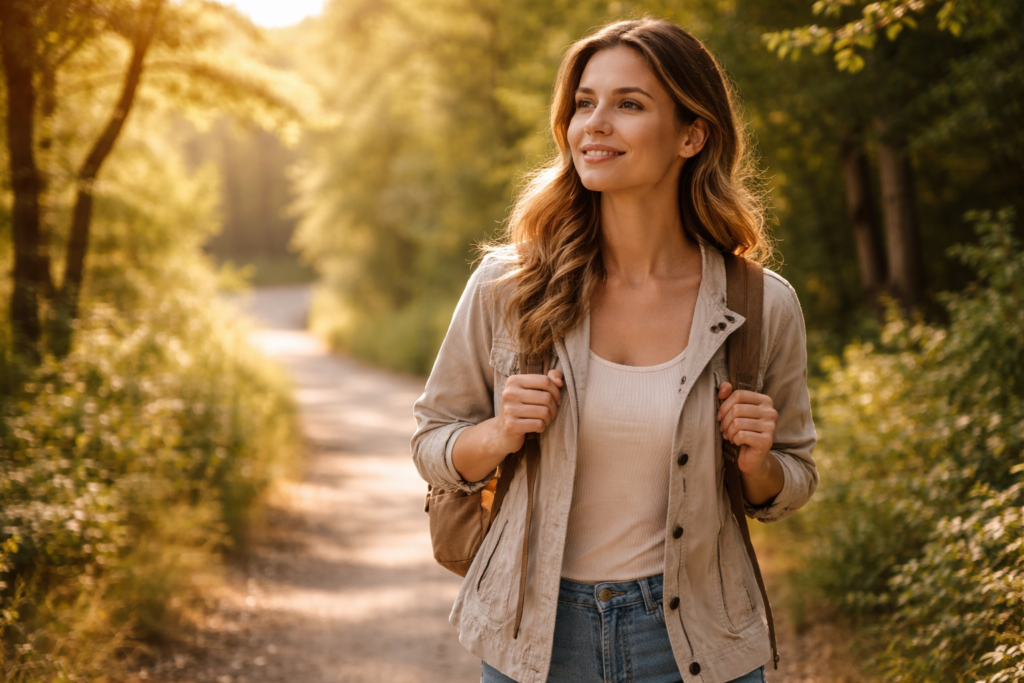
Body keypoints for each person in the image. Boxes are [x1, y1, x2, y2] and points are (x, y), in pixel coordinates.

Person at [412, 17, 818, 683]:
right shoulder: (508, 286)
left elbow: (793, 477)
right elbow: (431, 442)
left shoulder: (761, 303)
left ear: (693, 134)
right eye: (583, 103)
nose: (594, 124)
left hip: (697, 644)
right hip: (538, 641)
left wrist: (759, 463)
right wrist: (498, 432)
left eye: (629, 104)